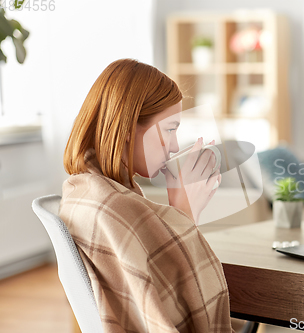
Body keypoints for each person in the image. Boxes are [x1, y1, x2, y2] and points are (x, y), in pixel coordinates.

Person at [59, 59, 233, 333]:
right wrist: (184, 216)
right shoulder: (109, 206)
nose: (175, 145)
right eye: (170, 129)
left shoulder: (86, 192)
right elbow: (170, 312)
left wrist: (178, 219)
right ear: (128, 129)